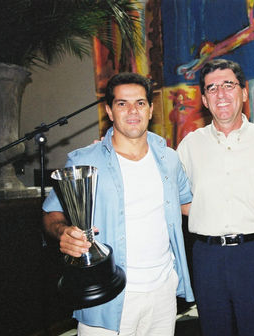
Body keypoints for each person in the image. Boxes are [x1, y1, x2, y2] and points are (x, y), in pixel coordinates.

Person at [43, 73, 194, 335]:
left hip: (163, 292)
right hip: (107, 291)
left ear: (151, 109)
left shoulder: (169, 158)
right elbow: (51, 213)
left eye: (140, 103)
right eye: (122, 103)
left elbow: (188, 206)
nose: (132, 110)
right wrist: (63, 233)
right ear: (109, 111)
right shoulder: (84, 161)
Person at [176, 59, 254, 335]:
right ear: (203, 99)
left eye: (228, 85)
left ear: (244, 92)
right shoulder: (190, 145)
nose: (221, 94)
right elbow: (177, 198)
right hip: (206, 258)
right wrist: (206, 212)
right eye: (212, 89)